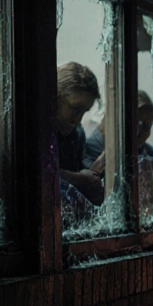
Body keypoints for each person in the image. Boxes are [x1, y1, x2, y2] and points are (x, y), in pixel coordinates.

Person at [83, 90, 153, 213]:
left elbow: (149, 208)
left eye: (146, 127)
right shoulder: (89, 150)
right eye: (135, 123)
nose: (139, 132)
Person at [56, 62, 103, 207]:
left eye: (84, 112)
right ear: (56, 97)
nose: (78, 119)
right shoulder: (37, 132)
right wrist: (78, 179)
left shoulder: (77, 133)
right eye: (75, 109)